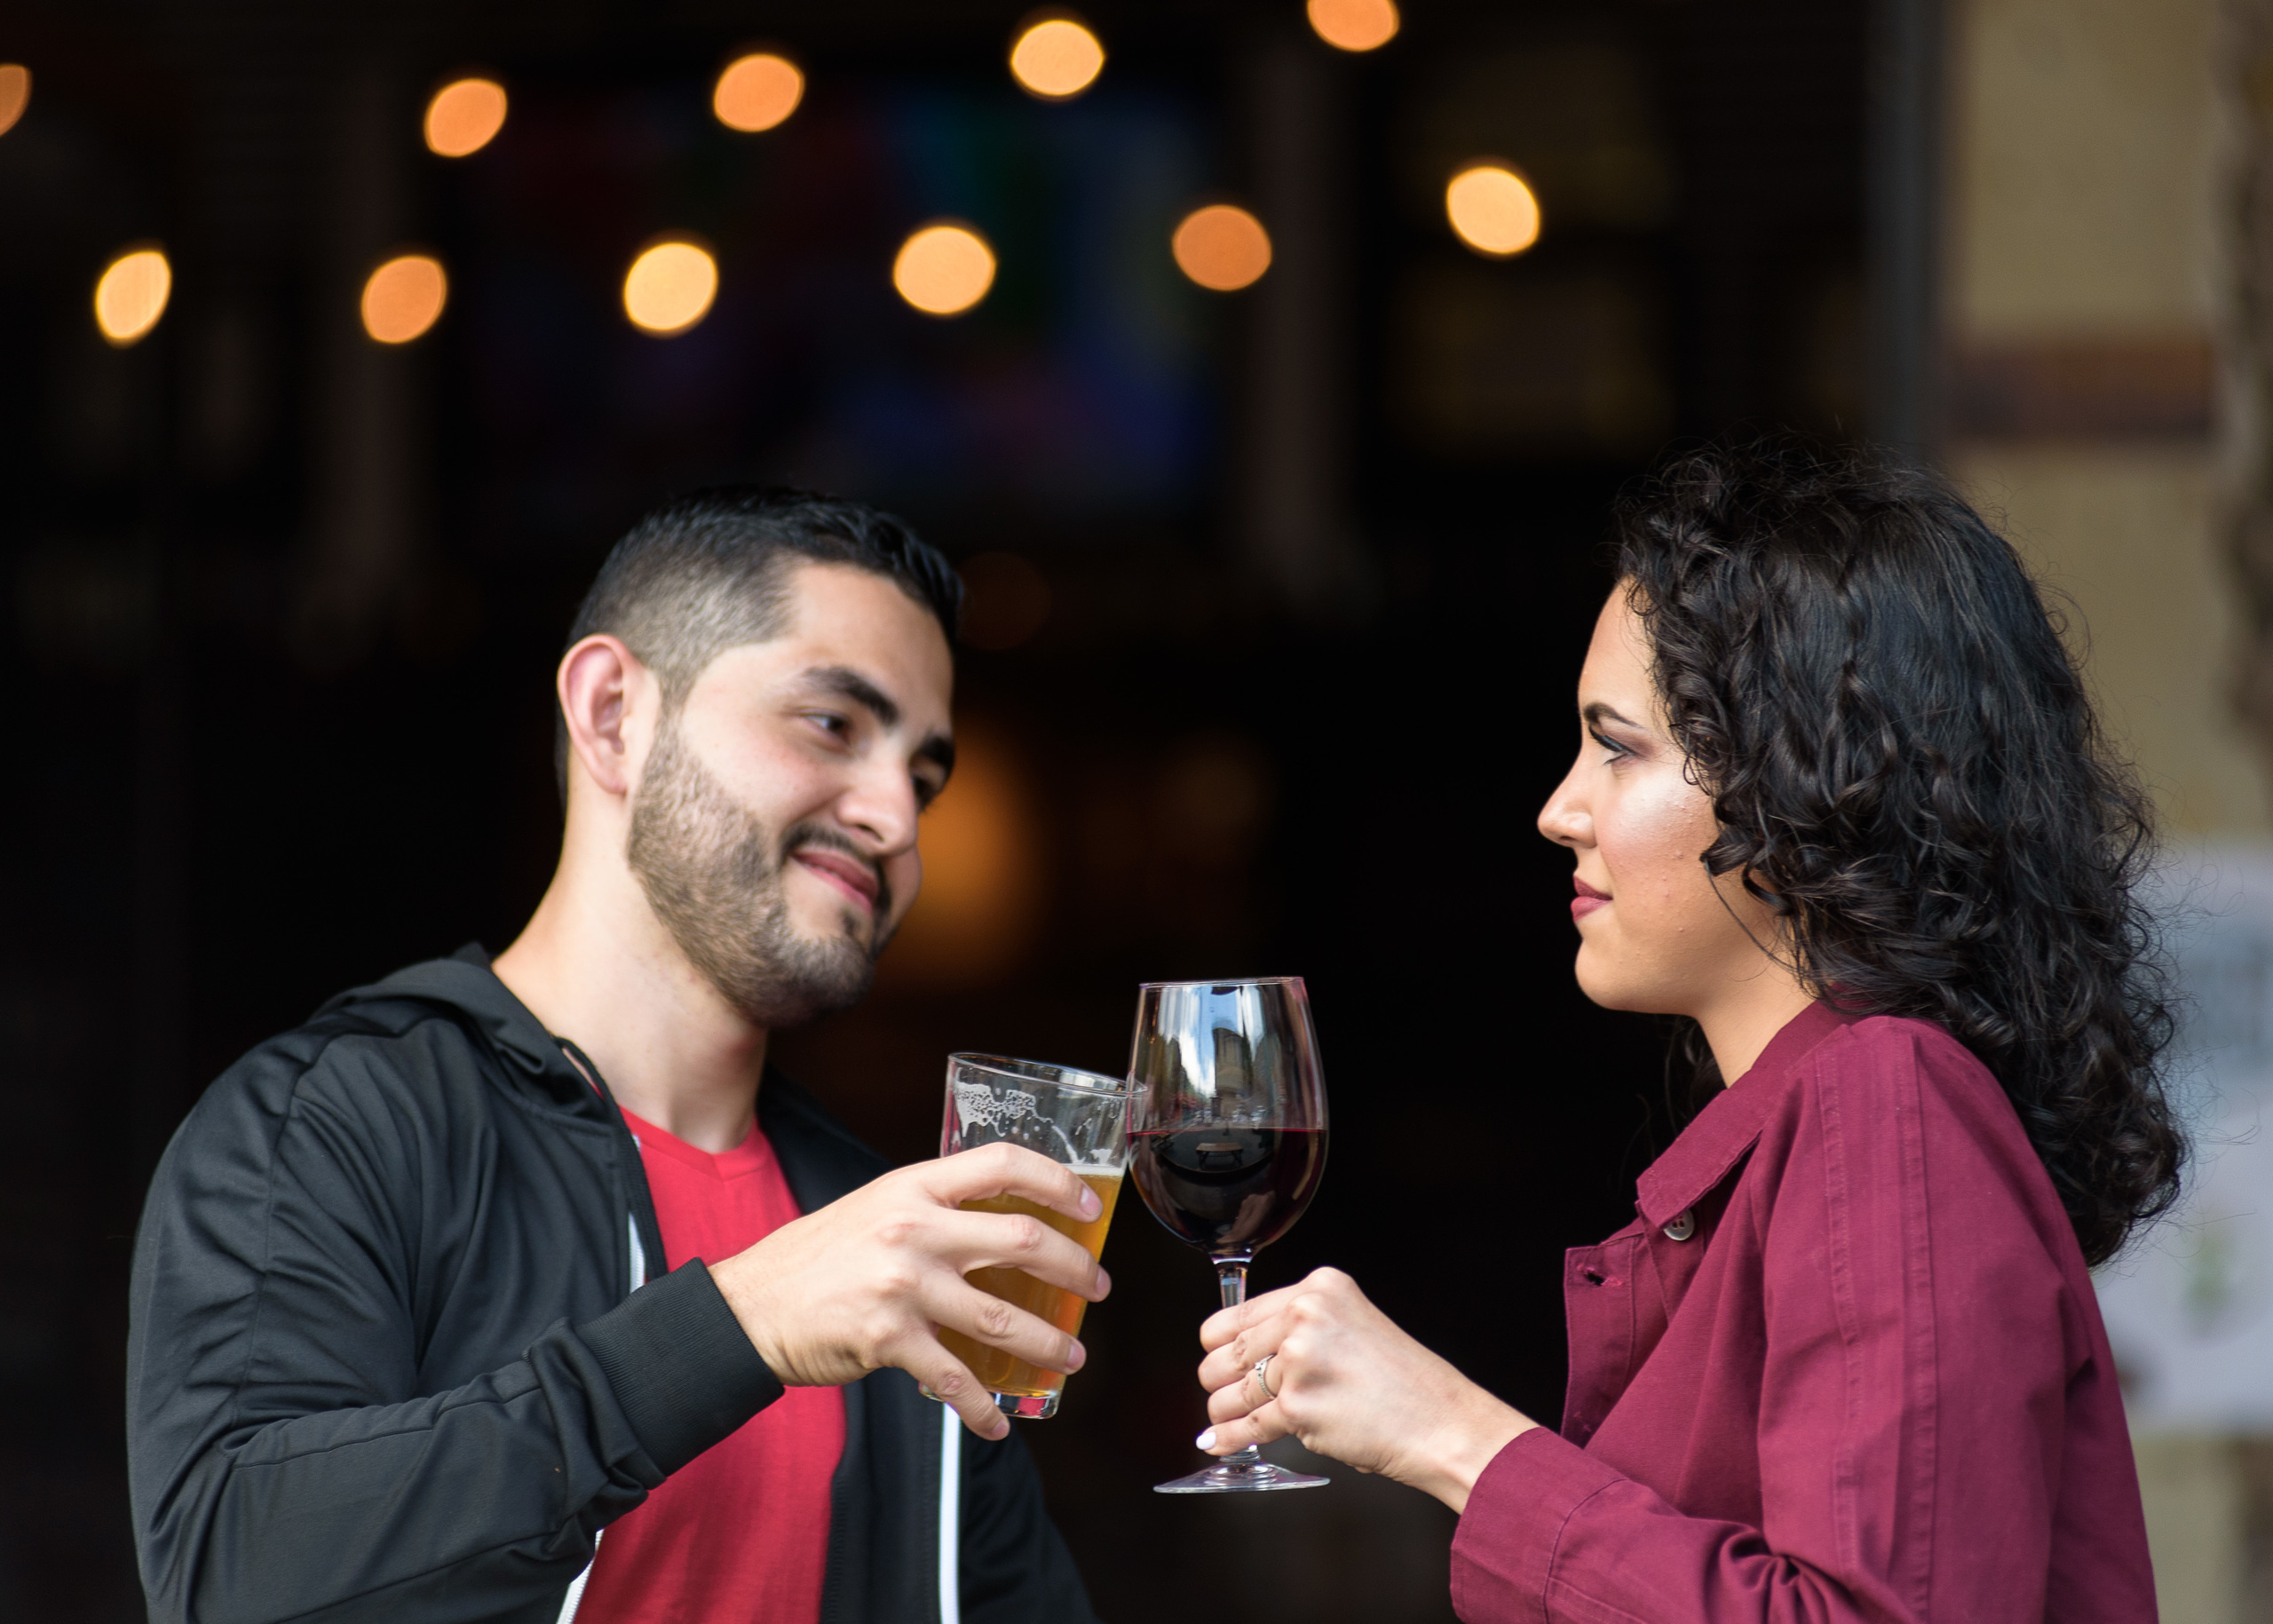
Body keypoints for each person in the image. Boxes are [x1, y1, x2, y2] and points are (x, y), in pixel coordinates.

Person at [1192, 440, 2179, 1621]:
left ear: (1802, 781)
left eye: (1618, 749)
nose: (1559, 809)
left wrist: (1449, 1431)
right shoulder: (1825, 1118)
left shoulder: (1887, 1099)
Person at [127, 488, 1105, 1624]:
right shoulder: (334, 1120)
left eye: (923, 777)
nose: (897, 815)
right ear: (612, 713)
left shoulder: (882, 1228)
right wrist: (736, 1327)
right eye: (834, 723)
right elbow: (225, 1572)